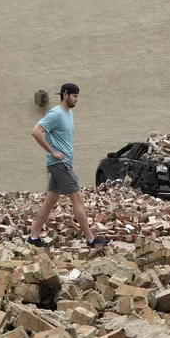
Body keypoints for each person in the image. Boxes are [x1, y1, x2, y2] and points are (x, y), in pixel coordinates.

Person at [26, 83, 110, 249]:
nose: (76, 99)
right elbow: (36, 131)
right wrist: (52, 152)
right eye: (74, 96)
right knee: (77, 197)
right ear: (65, 95)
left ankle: (33, 237)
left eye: (77, 96)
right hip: (59, 164)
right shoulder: (55, 114)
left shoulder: (68, 113)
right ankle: (91, 239)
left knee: (50, 201)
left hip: (64, 163)